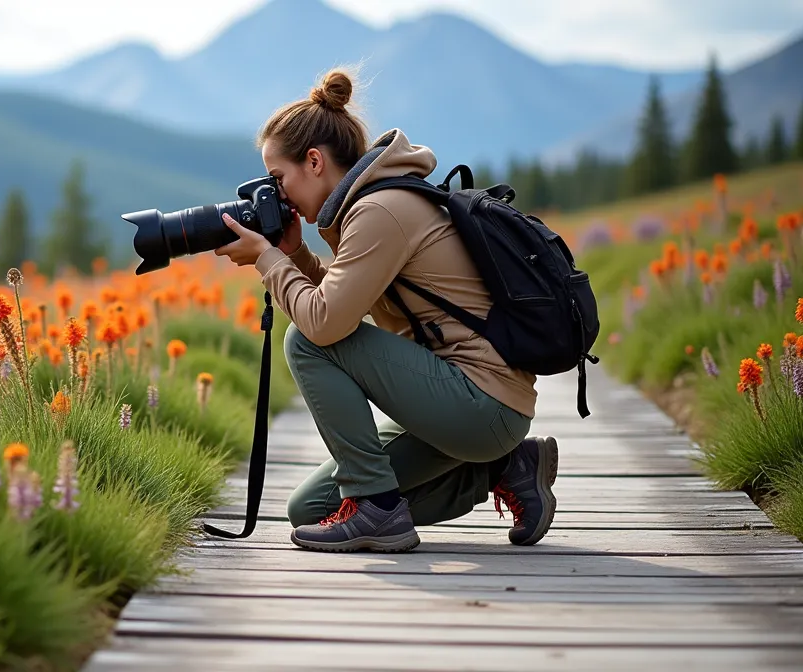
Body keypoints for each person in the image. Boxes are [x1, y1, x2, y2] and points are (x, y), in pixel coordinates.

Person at [213, 67, 558, 553]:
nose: (275, 194)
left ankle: (378, 509)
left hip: (480, 400)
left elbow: (324, 324)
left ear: (314, 161)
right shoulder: (371, 205)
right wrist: (291, 254)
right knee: (312, 509)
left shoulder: (380, 212)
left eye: (277, 178)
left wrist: (267, 260)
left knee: (305, 340)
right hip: (462, 401)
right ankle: (504, 468)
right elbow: (339, 304)